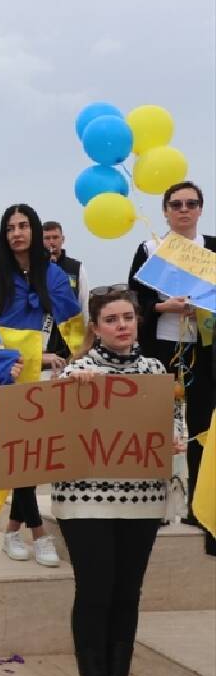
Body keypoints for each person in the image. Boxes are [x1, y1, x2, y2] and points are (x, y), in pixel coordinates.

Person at [53, 287, 186, 676]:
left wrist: (175, 438)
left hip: (142, 499)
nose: (122, 325)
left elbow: (174, 424)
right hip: (85, 501)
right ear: (95, 328)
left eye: (127, 317)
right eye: (111, 319)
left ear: (138, 321)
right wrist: (71, 388)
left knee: (127, 593)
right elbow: (47, 423)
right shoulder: (76, 371)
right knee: (94, 592)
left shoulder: (154, 370)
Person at [0, 205, 80, 567]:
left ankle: (12, 529)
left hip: (39, 372)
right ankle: (38, 532)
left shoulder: (52, 273)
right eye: (10, 228)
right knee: (18, 452)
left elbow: (73, 321)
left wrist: (70, 356)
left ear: (35, 231)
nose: (17, 233)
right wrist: (5, 361)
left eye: (23, 226)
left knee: (31, 455)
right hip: (6, 371)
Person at [129, 181, 216, 530]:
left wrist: (202, 309)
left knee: (201, 426)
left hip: (203, 350)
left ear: (200, 209)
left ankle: (198, 506)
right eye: (176, 204)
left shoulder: (212, 249)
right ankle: (153, 505)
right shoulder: (151, 248)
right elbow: (135, 299)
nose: (183, 210)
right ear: (165, 211)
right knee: (154, 424)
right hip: (160, 347)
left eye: (190, 204)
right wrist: (163, 306)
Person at [43, 220, 90, 352]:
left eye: (55, 237)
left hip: (70, 335)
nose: (51, 242)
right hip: (43, 335)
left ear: (62, 239)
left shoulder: (76, 267)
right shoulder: (33, 269)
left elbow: (84, 302)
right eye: (47, 238)